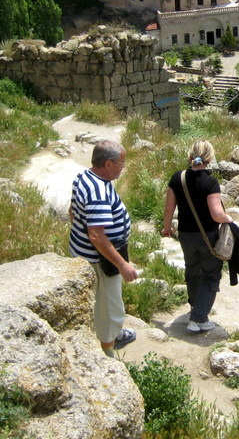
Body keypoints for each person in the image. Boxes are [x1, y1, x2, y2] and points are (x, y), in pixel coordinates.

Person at [69, 139, 138, 356]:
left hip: (86, 252)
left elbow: (72, 211)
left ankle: (112, 335)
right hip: (101, 260)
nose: (123, 167)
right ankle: (109, 350)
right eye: (121, 163)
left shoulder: (84, 176)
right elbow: (97, 236)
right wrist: (122, 264)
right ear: (108, 164)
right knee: (109, 306)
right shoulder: (98, 191)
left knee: (105, 303)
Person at [162, 140, 234, 332]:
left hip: (185, 234)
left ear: (190, 156)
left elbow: (169, 208)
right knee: (211, 274)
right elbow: (216, 214)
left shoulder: (177, 178)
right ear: (209, 158)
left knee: (192, 270)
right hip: (207, 236)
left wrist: (166, 228)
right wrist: (230, 219)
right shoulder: (210, 182)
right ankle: (199, 319)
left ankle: (195, 306)